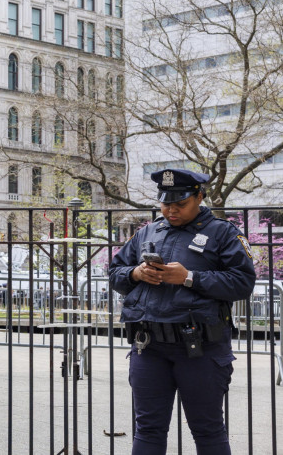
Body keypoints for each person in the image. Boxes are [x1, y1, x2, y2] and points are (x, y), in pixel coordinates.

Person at [108, 168, 256, 455]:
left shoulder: (223, 233)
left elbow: (242, 283)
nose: (171, 210)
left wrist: (190, 277)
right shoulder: (148, 231)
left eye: (180, 204)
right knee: (148, 428)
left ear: (199, 197)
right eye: (165, 204)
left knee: (207, 428)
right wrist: (136, 273)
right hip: (149, 346)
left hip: (200, 348)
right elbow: (114, 272)